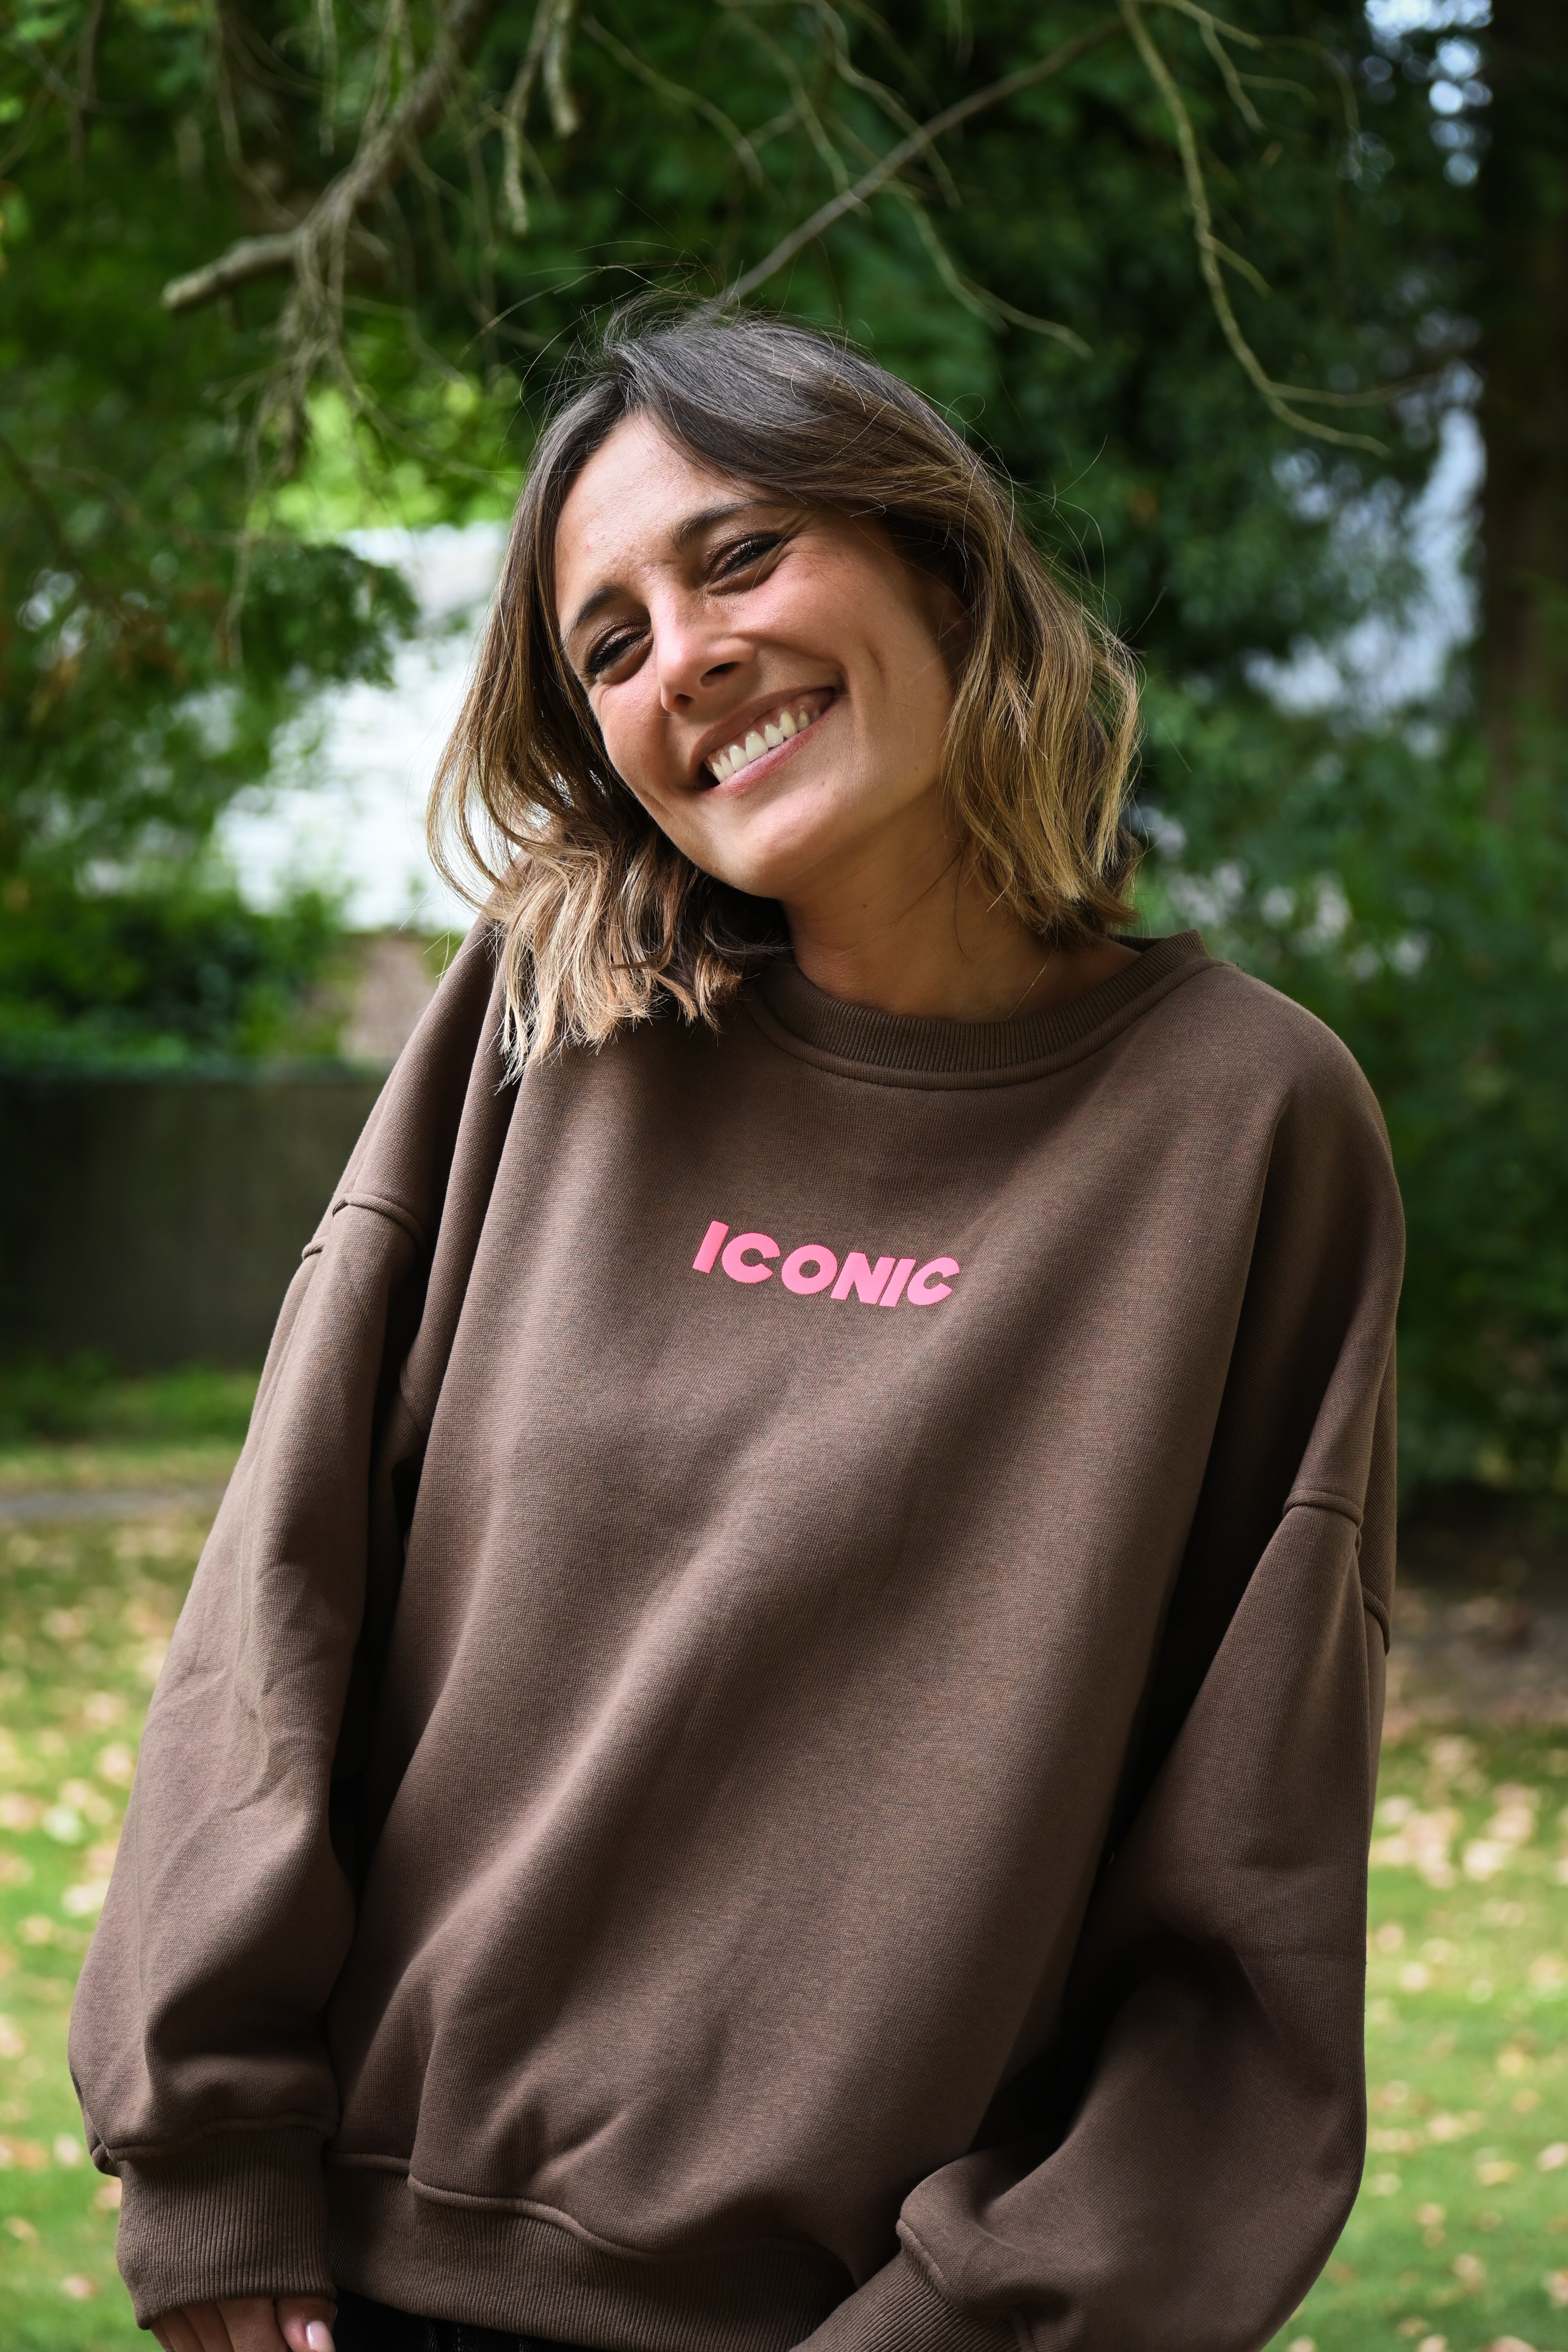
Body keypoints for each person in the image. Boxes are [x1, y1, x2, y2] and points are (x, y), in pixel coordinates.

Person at [71, 311, 1403, 2352]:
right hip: (368, 2286)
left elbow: (1250, 1860)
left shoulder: (1247, 1125)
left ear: (936, 563)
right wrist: (210, 2145)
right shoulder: (545, 1028)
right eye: (607, 645)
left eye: (740, 557)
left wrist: (986, 2313)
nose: (681, 658)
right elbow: (282, 1595)